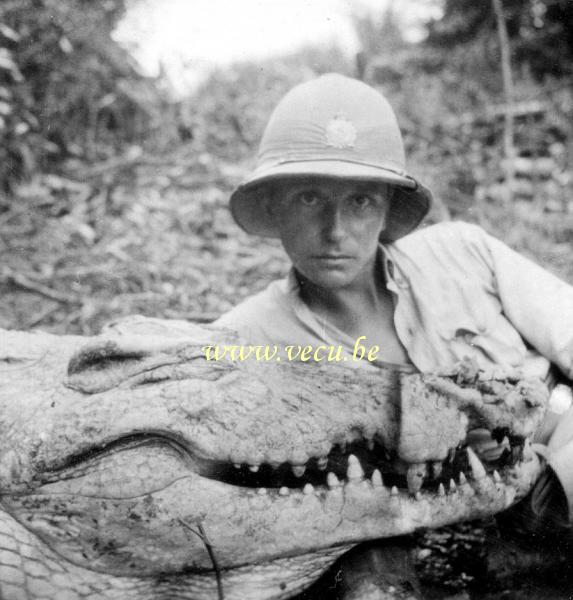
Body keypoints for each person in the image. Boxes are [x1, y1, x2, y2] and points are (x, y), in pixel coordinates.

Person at [213, 73, 573, 543]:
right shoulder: (245, 336)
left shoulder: (461, 252)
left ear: (385, 210)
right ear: (275, 208)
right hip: (456, 519)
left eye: (360, 201)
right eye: (309, 198)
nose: (335, 229)